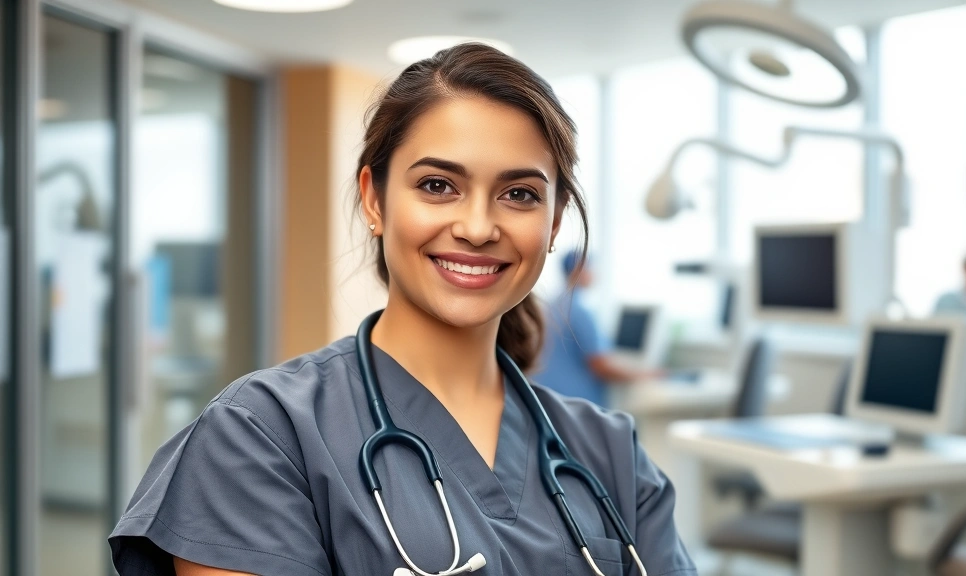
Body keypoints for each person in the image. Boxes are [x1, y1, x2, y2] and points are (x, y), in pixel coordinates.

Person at [108, 44, 696, 576]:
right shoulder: (260, 436)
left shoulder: (610, 450)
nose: (477, 227)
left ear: (553, 224)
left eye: (520, 194)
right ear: (374, 198)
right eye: (439, 185)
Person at [533, 250, 662, 407]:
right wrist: (646, 375)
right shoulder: (578, 310)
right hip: (577, 403)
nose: (594, 273)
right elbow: (600, 366)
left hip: (551, 398)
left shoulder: (553, 305)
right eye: (590, 267)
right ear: (579, 269)